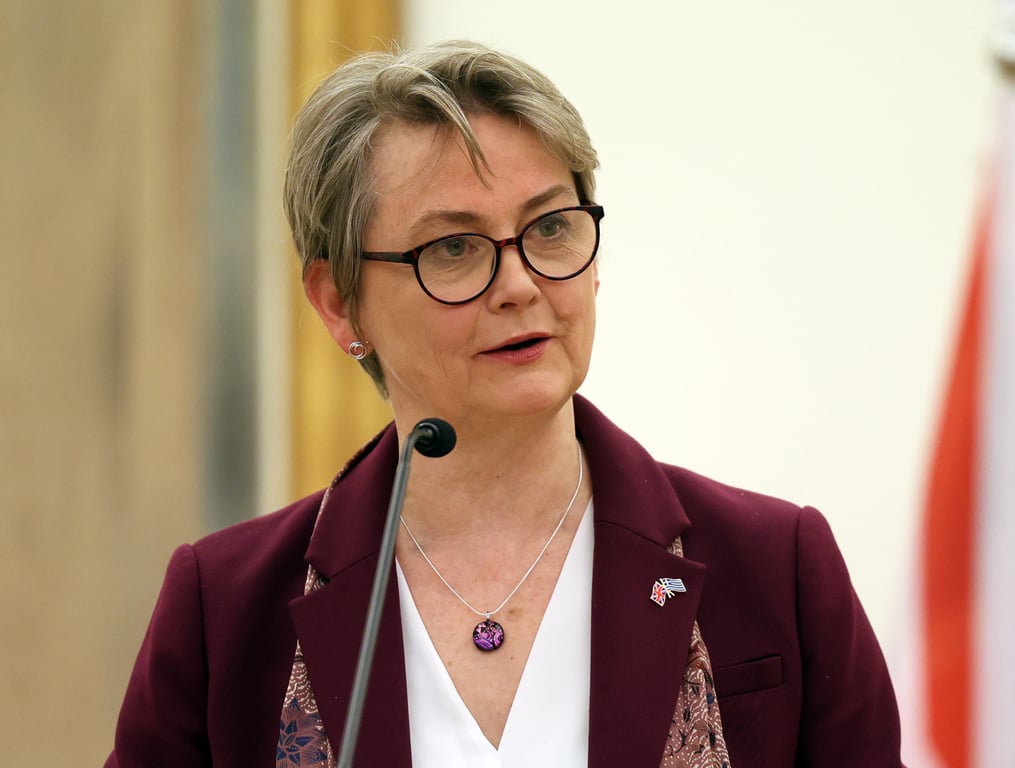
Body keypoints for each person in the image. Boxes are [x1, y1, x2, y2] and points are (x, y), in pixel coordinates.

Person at [107, 40, 902, 767]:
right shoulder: (225, 610)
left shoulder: (773, 568)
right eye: (453, 248)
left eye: (550, 228)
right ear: (338, 303)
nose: (520, 285)